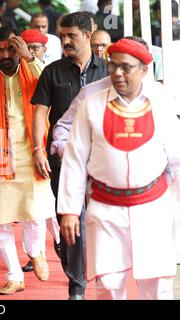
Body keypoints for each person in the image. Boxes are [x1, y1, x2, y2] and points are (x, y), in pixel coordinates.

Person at [58, 38, 180, 300]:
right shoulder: (91, 103)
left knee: (157, 286)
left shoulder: (162, 103)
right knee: (109, 286)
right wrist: (68, 210)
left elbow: (177, 159)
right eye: (113, 66)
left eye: (126, 67)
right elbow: (75, 158)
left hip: (153, 208)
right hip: (105, 210)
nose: (118, 73)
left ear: (144, 70)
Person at [0, 26, 56, 295]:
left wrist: (28, 57)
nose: (5, 55)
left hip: (30, 154)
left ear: (19, 48)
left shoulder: (33, 72)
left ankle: (35, 250)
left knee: (35, 213)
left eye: (10, 49)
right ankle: (14, 275)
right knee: (0, 220)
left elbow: (48, 82)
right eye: (0, 49)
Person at [31, 12, 108, 300]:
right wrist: (39, 148)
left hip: (102, 161)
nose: (65, 41)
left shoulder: (109, 71)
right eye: (62, 35)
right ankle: (75, 279)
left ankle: (84, 280)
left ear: (88, 36)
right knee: (70, 218)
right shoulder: (52, 71)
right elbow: (40, 112)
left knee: (97, 220)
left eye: (71, 35)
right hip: (63, 160)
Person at [19, 28, 62, 273]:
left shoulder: (50, 71)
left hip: (48, 143)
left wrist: (29, 58)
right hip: (23, 145)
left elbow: (40, 76)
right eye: (26, 47)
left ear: (44, 50)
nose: (29, 52)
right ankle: (36, 252)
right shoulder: (13, 71)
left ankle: (59, 241)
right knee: (31, 202)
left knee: (49, 200)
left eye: (35, 48)